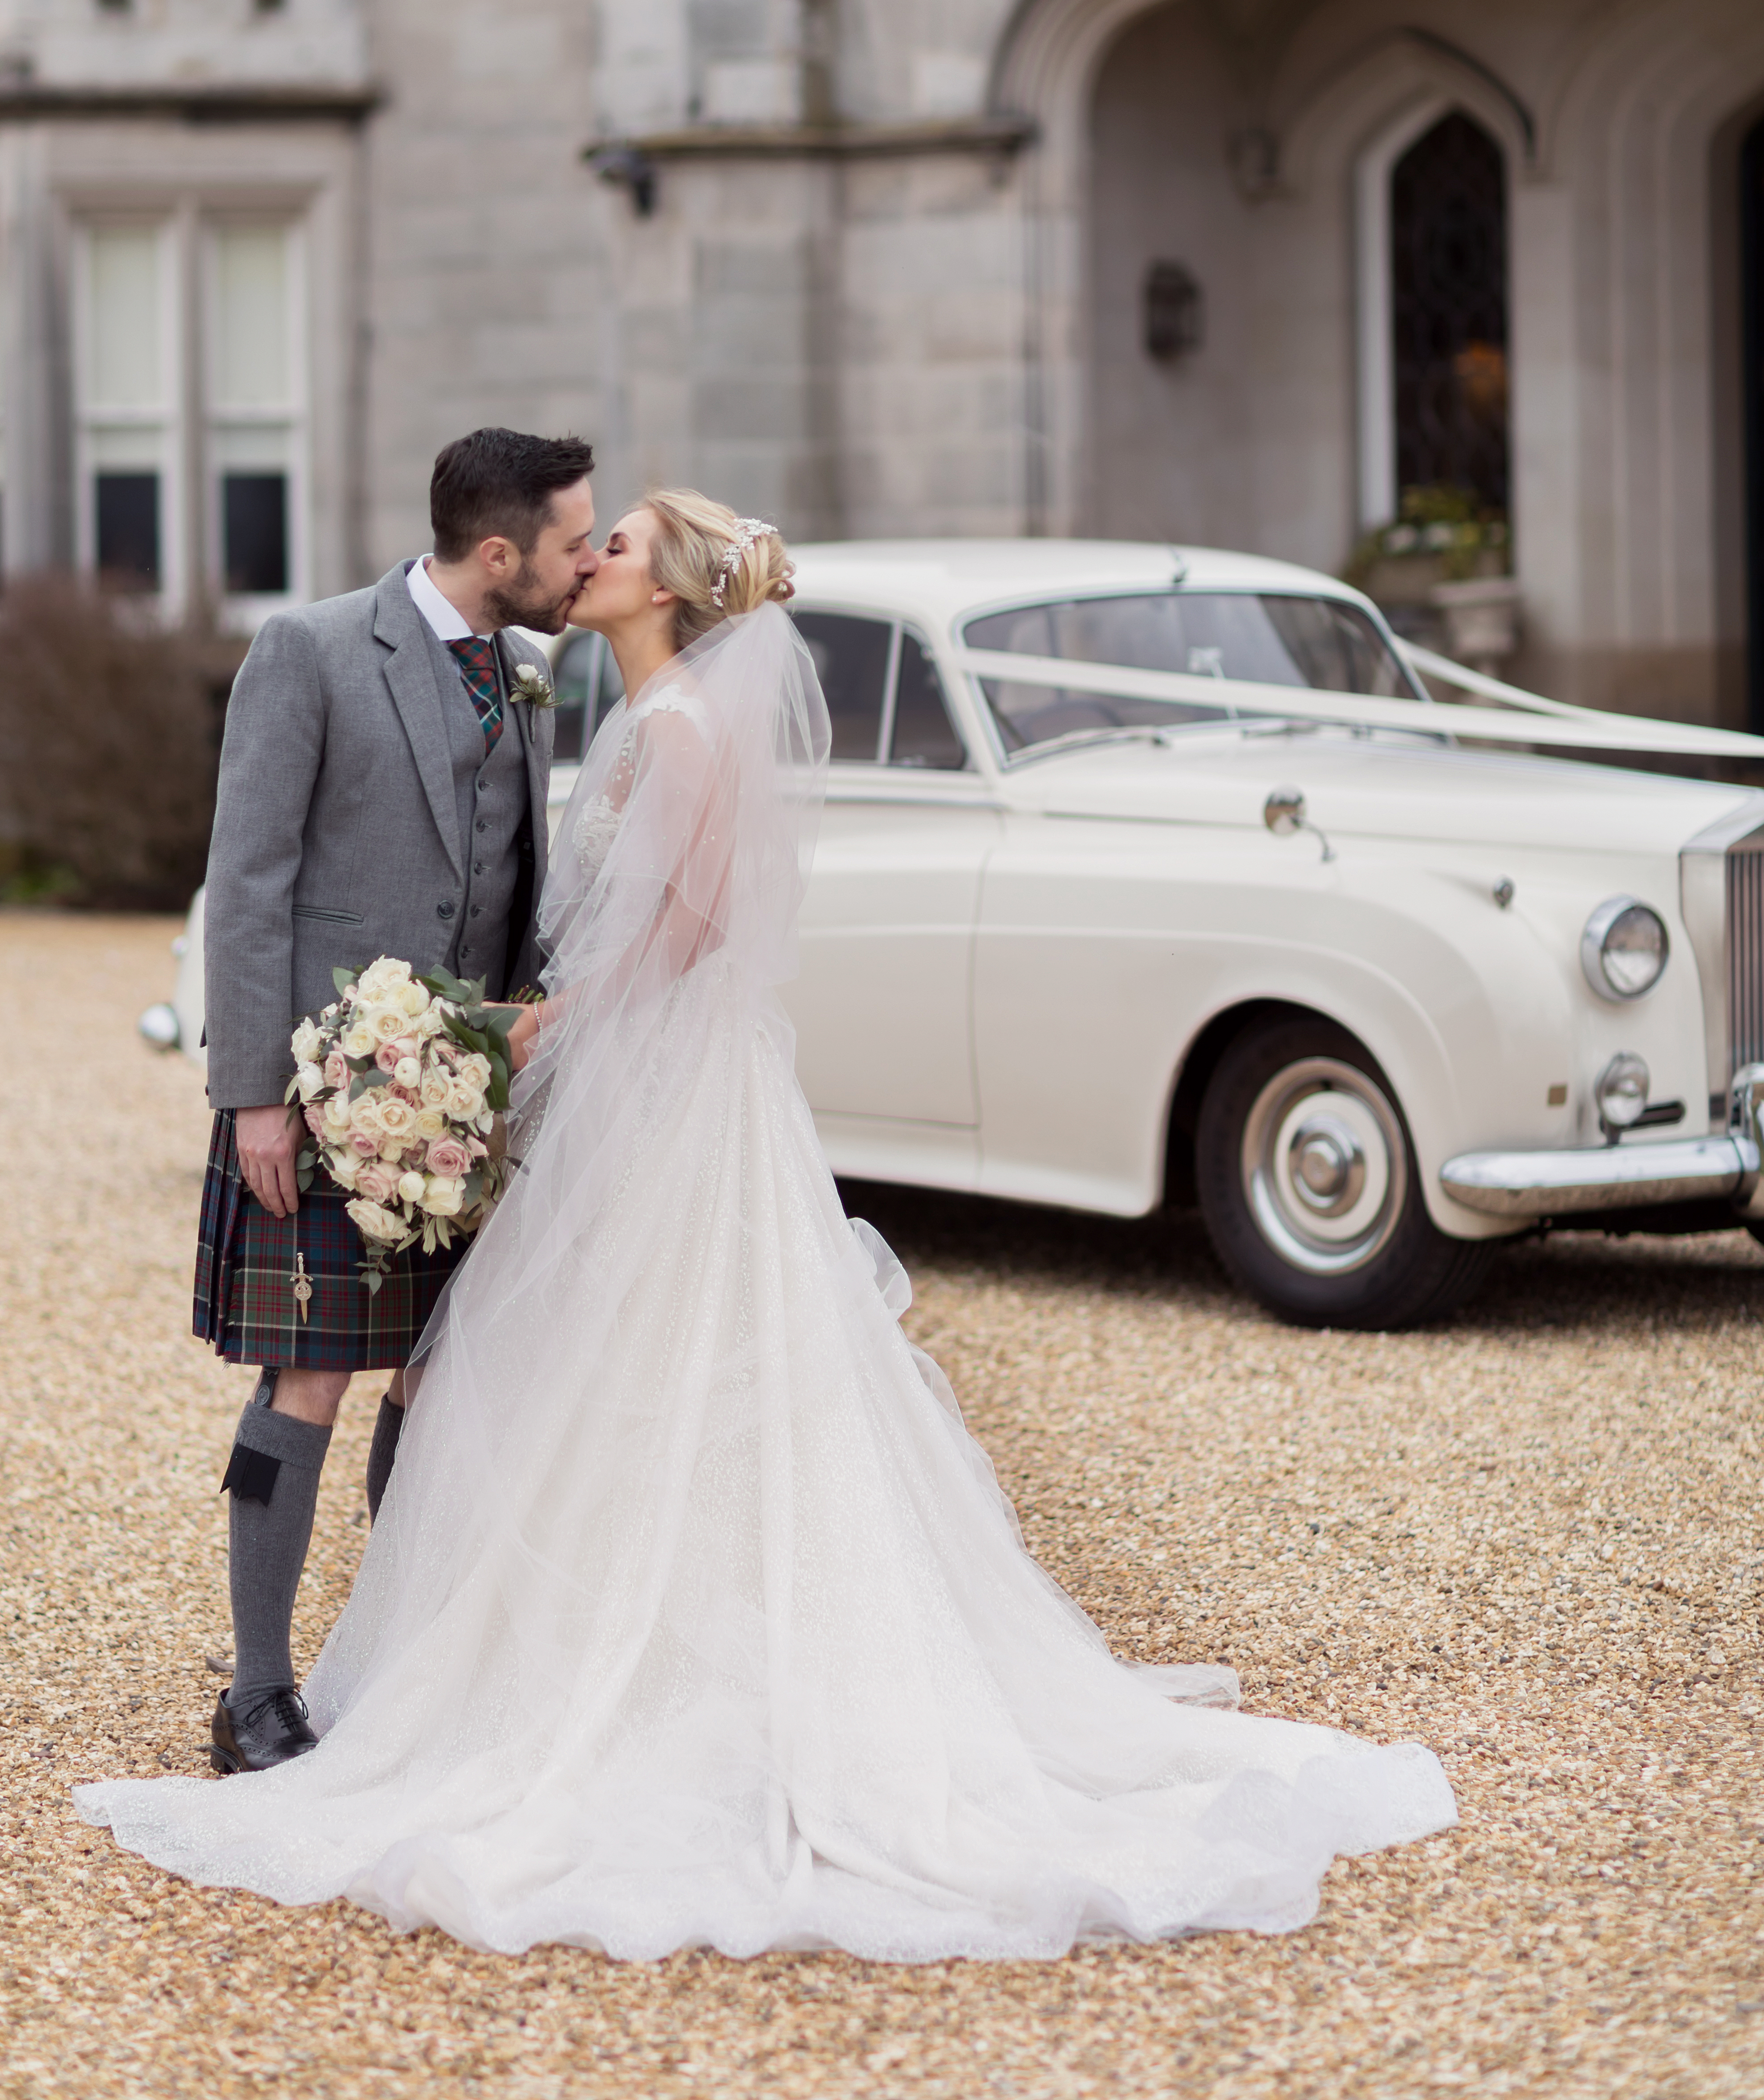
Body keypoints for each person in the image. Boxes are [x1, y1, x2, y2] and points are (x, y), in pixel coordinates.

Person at [81, 488, 1455, 1955]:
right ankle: (399, 1669)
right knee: (531, 1376)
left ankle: (543, 1682)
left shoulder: (673, 727)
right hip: (595, 1091)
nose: (587, 556)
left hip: (647, 1091)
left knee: (581, 1375)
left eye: (613, 543)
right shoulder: (599, 701)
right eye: (578, 537)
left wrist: (550, 1025)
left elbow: (696, 928)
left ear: (663, 589)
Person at [188, 425, 595, 1776]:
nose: (584, 560)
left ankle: (395, 1663)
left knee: (435, 1378)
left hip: (469, 1097)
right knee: (306, 1376)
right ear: (498, 553)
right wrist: (255, 1094)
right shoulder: (311, 651)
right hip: (326, 1092)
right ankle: (255, 1693)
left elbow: (517, 885)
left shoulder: (526, 671)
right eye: (570, 541)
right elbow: (247, 879)